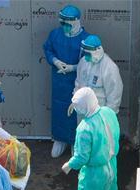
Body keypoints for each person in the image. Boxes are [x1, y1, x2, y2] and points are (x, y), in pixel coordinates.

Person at [61, 87, 120, 190]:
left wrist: (69, 165)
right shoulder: (108, 112)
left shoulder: (85, 128)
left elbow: (81, 157)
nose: (77, 110)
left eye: (78, 107)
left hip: (95, 172)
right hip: (111, 165)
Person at [43, 5, 89, 158]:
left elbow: (90, 63)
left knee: (76, 110)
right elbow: (48, 49)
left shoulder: (85, 40)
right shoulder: (55, 35)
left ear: (76, 22)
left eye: (68, 24)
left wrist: (73, 68)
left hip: (77, 82)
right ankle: (60, 139)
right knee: (59, 110)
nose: (65, 27)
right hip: (59, 82)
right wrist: (55, 61)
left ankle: (75, 142)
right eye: (62, 23)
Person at [75, 35, 123, 115]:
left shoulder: (109, 68)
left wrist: (108, 116)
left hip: (100, 115)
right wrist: (75, 101)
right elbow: (78, 84)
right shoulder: (83, 62)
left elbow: (114, 95)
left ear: (96, 52)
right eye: (84, 53)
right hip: (83, 113)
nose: (85, 56)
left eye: (88, 54)